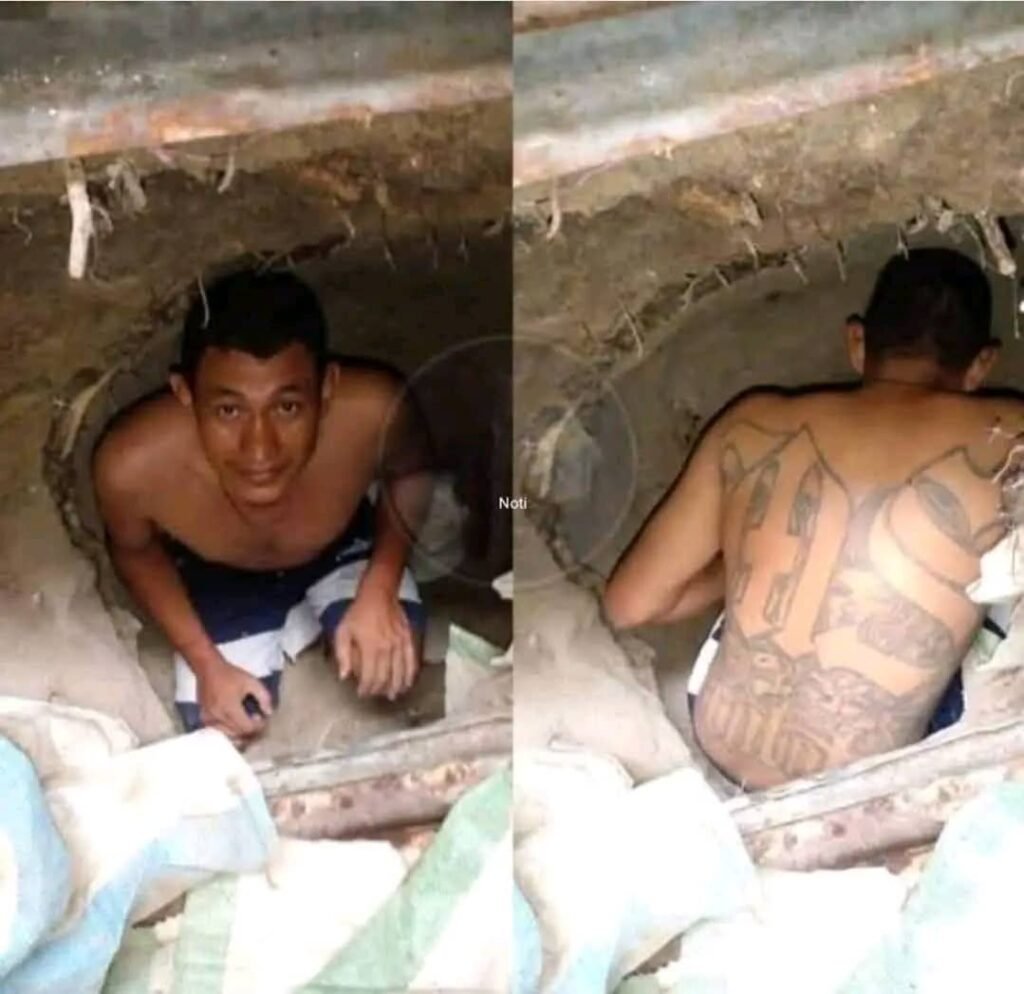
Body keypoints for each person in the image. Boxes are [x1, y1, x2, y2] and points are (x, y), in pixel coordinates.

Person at [603, 247, 1024, 790]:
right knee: (1000, 583)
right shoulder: (1012, 436)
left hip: (719, 741)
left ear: (858, 342)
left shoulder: (753, 421)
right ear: (982, 364)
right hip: (873, 782)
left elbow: (630, 605)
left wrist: (749, 560)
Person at [94, 269, 433, 745]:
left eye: (287, 407)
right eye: (229, 410)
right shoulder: (132, 466)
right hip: (217, 574)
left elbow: (412, 475)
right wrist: (206, 664)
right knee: (226, 728)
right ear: (185, 393)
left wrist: (381, 585)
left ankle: (336, 614)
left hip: (339, 543)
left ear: (327, 386)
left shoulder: (375, 410)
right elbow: (135, 551)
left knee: (389, 670)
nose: (260, 449)